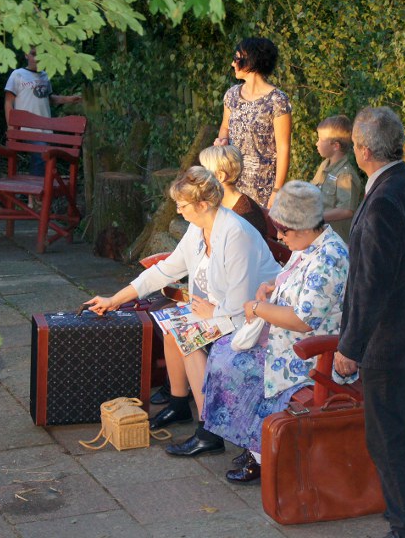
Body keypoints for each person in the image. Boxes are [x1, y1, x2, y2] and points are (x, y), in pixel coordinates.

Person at [84, 167, 280, 454]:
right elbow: (164, 271)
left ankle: (209, 432)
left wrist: (212, 312)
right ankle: (179, 405)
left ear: (203, 204)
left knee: (187, 337)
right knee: (173, 327)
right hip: (219, 310)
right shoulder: (198, 227)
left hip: (256, 318)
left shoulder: (236, 233)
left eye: (183, 205)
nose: (178, 210)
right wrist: (115, 299)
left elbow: (242, 299)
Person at [334, 107, 405, 538]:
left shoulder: (383, 199)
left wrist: (350, 346)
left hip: (395, 340)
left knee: (389, 438)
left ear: (362, 151)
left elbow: (370, 284)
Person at [196, 181, 349, 480]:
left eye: (284, 231)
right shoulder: (309, 246)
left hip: (311, 353)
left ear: (303, 227)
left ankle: (262, 453)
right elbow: (291, 283)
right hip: (289, 341)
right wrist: (271, 287)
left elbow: (302, 320)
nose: (279, 236)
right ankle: (255, 444)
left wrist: (257, 308)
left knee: (236, 364)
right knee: (225, 351)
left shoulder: (329, 258)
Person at [214, 37, 292, 208]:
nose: (232, 63)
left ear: (251, 60)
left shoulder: (277, 100)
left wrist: (277, 191)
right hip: (231, 184)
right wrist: (222, 141)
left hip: (263, 188)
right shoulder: (232, 95)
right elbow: (225, 127)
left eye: (236, 58)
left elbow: (283, 148)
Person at [4, 46, 82, 176]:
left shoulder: (45, 76)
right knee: (41, 157)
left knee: (45, 160)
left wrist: (69, 99)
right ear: (26, 55)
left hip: (45, 129)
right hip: (27, 128)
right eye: (33, 54)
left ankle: (34, 194)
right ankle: (36, 193)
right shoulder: (17, 74)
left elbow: (48, 98)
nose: (37, 58)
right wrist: (11, 128)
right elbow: (8, 102)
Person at [311, 114, 363, 242]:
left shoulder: (345, 175)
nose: (316, 143)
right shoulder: (325, 165)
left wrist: (317, 217)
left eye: (320, 139)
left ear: (335, 146)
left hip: (336, 241)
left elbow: (346, 211)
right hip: (320, 236)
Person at [199, 144, 268, 237]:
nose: (198, 176)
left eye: (203, 171)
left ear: (220, 176)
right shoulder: (217, 204)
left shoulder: (245, 214)